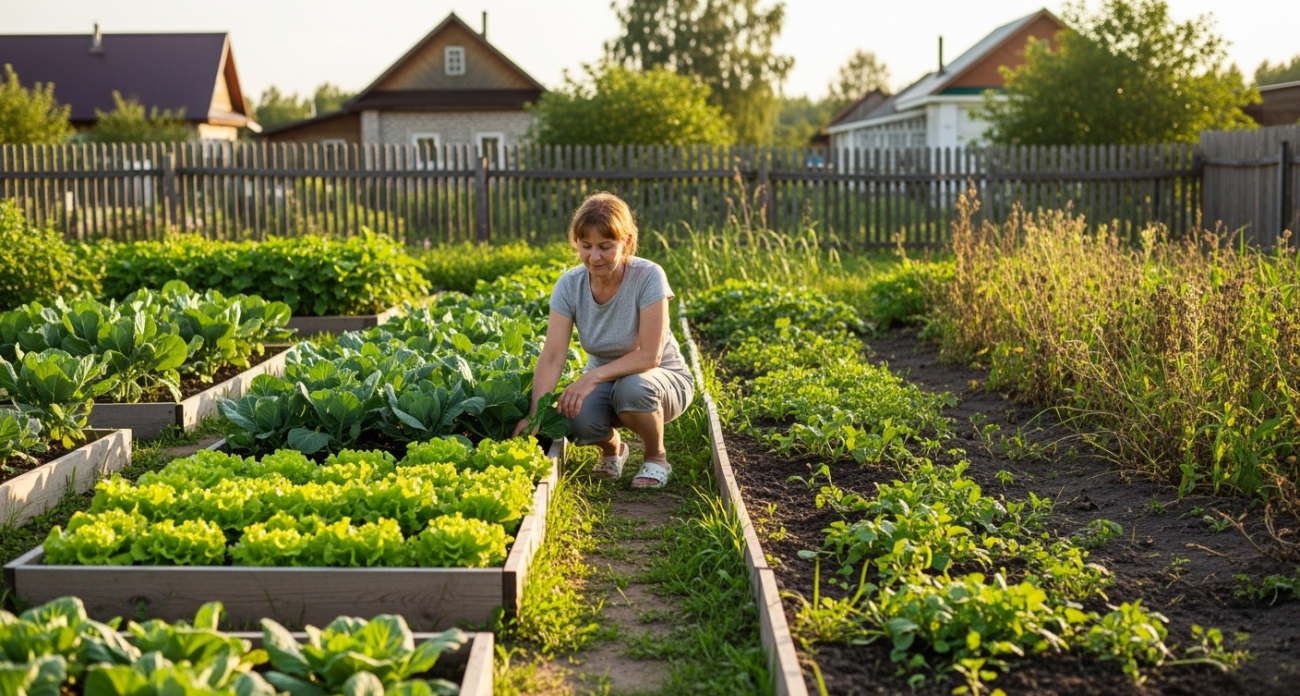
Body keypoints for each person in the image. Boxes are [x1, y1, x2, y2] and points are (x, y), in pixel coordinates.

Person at [513, 192, 694, 488]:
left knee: (632, 388)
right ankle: (613, 450)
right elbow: (552, 356)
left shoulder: (648, 276)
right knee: (572, 414)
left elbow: (650, 355)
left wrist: (591, 377)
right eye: (585, 246)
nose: (593, 257)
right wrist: (534, 417)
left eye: (605, 247)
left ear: (627, 241)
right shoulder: (570, 285)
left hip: (661, 380)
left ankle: (656, 457)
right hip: (606, 383)